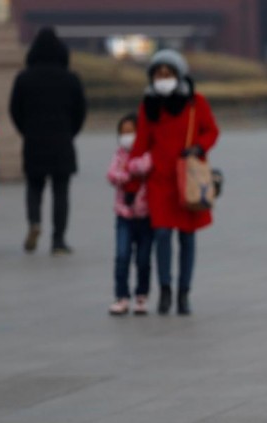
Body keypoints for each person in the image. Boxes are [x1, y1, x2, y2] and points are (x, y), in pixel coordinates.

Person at [129, 49, 219, 316]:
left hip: (186, 180)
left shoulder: (195, 102)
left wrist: (198, 148)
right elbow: (140, 145)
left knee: (187, 238)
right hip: (159, 181)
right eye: (158, 74)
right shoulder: (149, 106)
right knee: (162, 235)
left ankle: (184, 292)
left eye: (168, 74)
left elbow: (211, 131)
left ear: (179, 76)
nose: (163, 79)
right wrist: (132, 186)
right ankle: (165, 289)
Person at [9, 26, 87, 255]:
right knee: (60, 191)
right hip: (62, 140)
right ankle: (58, 239)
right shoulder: (70, 79)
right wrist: (70, 132)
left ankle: (34, 222)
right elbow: (80, 111)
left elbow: (15, 110)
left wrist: (27, 131)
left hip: (34, 140)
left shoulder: (24, 79)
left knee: (34, 187)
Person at [107, 113, 153, 316]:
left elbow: (146, 166)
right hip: (124, 214)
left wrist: (130, 168)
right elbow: (111, 174)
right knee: (122, 256)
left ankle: (141, 295)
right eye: (123, 133)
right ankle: (121, 296)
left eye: (131, 132)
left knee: (143, 259)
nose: (127, 136)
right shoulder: (119, 154)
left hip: (146, 215)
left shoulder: (147, 152)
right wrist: (127, 175)